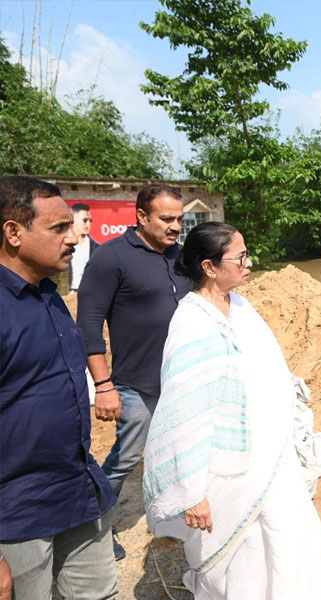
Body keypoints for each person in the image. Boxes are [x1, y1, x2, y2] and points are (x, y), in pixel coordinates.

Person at [143, 222, 321, 599]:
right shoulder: (192, 324)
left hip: (270, 460)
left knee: (286, 540)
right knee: (245, 557)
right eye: (239, 257)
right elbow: (182, 416)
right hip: (225, 471)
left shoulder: (240, 306)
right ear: (208, 266)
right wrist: (192, 493)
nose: (249, 262)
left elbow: (268, 375)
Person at [0, 176, 118, 599]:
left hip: (79, 492)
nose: (73, 238)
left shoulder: (48, 294)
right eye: (58, 228)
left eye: (72, 226)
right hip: (16, 515)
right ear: (13, 232)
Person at [76, 184, 193, 559]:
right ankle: (93, 531)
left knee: (182, 452)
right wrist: (104, 384)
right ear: (141, 217)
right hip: (136, 383)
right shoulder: (112, 258)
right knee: (126, 457)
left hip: (181, 380)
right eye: (167, 219)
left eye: (179, 219)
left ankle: (177, 518)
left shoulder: (184, 258)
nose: (176, 226)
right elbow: (89, 325)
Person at [67, 202, 99, 292]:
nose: (88, 224)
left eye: (90, 221)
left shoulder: (96, 248)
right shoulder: (63, 244)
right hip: (67, 295)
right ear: (74, 219)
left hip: (89, 294)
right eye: (85, 220)